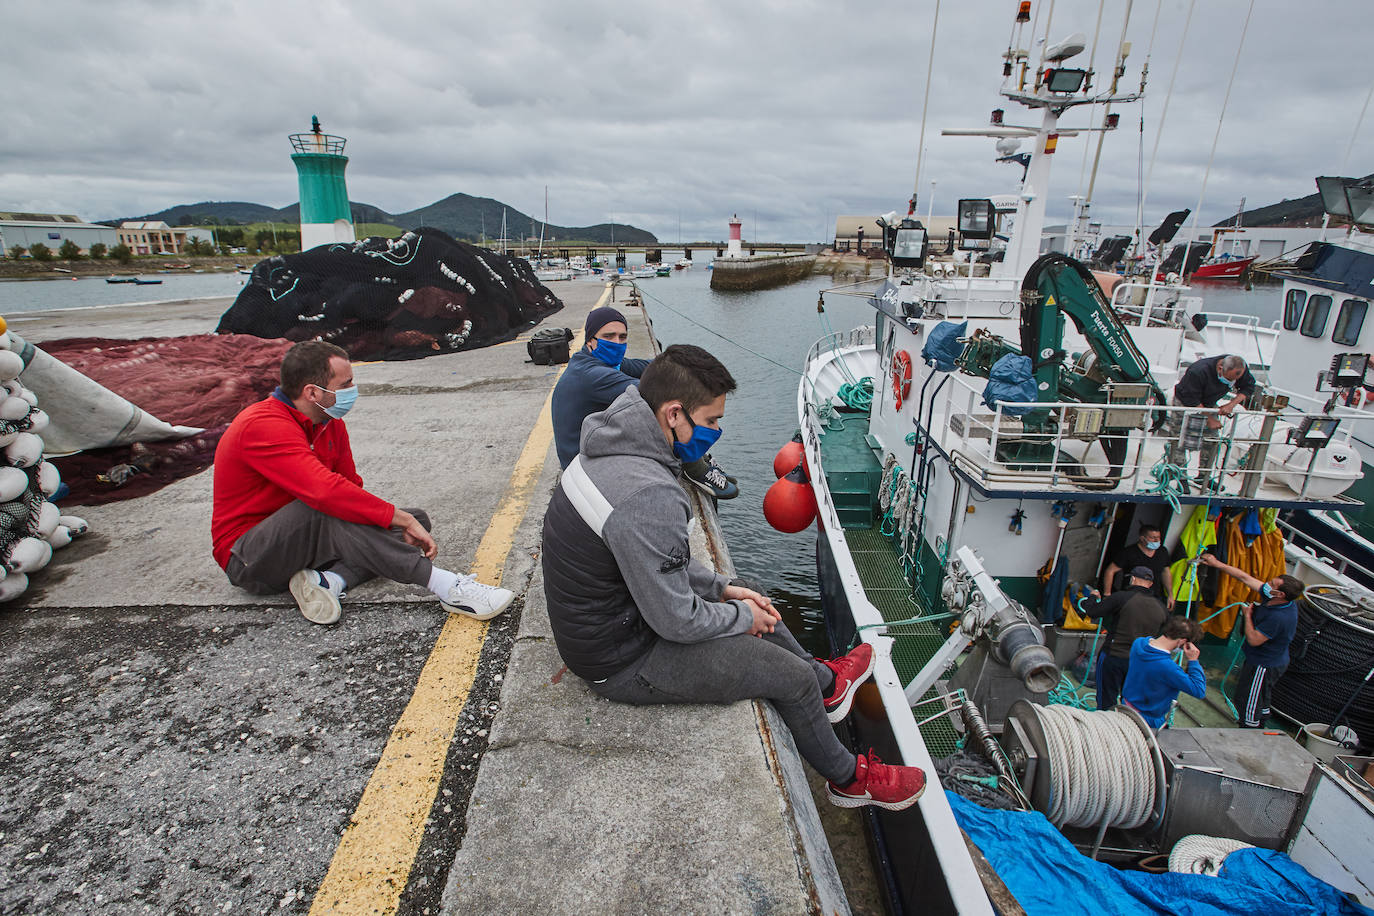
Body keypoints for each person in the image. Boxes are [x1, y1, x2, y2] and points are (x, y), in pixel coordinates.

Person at [541, 344, 926, 810]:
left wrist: (724, 590)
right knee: (786, 676)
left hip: (620, 621)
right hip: (621, 659)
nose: (718, 433)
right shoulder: (647, 495)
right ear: (674, 414)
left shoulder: (611, 444)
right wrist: (742, 619)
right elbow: (676, 622)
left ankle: (827, 682)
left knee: (751, 596)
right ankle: (849, 779)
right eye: (712, 422)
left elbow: (661, 557)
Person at [212, 340, 514, 624]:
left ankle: (329, 581)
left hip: (306, 544)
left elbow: (349, 488)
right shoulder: (262, 425)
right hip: (251, 560)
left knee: (409, 521)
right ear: (312, 393)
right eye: (345, 385)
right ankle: (446, 586)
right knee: (329, 510)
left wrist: (398, 520)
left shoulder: (328, 423)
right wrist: (399, 518)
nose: (353, 390)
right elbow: (324, 492)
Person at [551, 305, 737, 499]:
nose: (617, 343)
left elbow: (649, 366)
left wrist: (685, 365)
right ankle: (693, 466)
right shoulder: (591, 375)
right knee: (669, 411)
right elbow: (656, 394)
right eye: (609, 336)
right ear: (590, 340)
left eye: (622, 337)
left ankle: (698, 457)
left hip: (588, 449)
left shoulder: (597, 361)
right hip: (582, 466)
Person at [1200, 554, 1304, 728]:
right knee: (1262, 696)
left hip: (1264, 665)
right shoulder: (1276, 598)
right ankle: (1261, 719)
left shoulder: (1279, 617)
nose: (1266, 586)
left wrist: (1248, 616)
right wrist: (1216, 563)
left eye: (1271, 585)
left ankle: (1249, 729)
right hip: (1272, 659)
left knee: (1247, 698)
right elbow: (1245, 578)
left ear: (1280, 594)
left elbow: (1255, 639)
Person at [1082, 566, 1169, 711]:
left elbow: (1092, 612)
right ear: (1151, 584)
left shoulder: (1121, 597)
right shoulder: (1161, 607)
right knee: (1130, 701)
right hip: (1140, 662)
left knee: (1106, 699)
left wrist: (1092, 597)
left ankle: (1104, 727)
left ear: (1132, 579)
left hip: (1114, 656)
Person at [1165, 354, 1258, 484]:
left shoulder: (1239, 368)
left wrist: (1231, 405)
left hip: (1209, 402)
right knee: (1180, 438)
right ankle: (1180, 476)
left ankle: (1204, 476)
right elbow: (1191, 398)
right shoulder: (1198, 371)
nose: (1231, 382)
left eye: (1234, 380)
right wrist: (1209, 419)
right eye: (1228, 379)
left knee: (1212, 439)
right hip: (1186, 401)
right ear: (1220, 368)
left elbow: (1248, 387)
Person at [1120, 616, 1207, 727]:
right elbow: (1199, 690)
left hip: (1125, 707)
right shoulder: (1168, 668)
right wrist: (1193, 661)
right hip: (1147, 720)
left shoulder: (1139, 643)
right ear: (1183, 642)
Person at [1102, 524, 1174, 609]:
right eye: (1153, 538)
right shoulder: (1128, 553)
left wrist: (1170, 595)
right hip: (1131, 597)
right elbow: (1110, 571)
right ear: (1142, 538)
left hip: (1154, 598)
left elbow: (1166, 572)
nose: (1157, 540)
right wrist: (1107, 594)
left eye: (1158, 537)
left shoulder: (1162, 551)